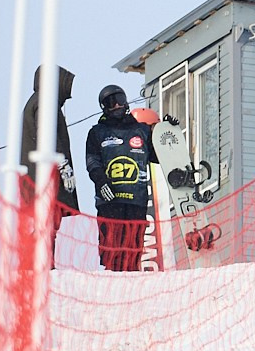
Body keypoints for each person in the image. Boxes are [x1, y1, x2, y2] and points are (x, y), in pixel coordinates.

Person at [85, 84, 156, 273]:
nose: (116, 105)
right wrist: (101, 182)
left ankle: (131, 285)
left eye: (120, 100)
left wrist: (167, 132)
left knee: (133, 250)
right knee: (112, 251)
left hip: (136, 201)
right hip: (110, 201)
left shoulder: (142, 130)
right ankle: (112, 285)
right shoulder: (97, 133)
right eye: (110, 102)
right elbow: (92, 162)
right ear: (104, 107)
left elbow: (158, 156)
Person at [17, 66, 81, 260]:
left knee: (41, 223)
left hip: (35, 176)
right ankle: (41, 262)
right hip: (43, 177)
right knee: (45, 222)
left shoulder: (36, 102)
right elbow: (47, 135)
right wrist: (63, 165)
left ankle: (39, 260)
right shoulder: (45, 102)